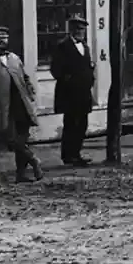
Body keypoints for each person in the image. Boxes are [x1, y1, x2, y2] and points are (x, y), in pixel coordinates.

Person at [0, 26, 43, 181]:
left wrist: (31, 94)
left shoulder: (15, 58)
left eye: (5, 37)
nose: (2, 41)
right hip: (3, 108)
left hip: (21, 105)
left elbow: (25, 78)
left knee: (22, 139)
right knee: (10, 139)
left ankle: (21, 174)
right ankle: (33, 159)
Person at [49, 15, 97, 166]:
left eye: (83, 29)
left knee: (82, 124)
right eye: (78, 29)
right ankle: (68, 155)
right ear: (72, 30)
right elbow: (55, 69)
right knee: (71, 123)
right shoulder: (63, 46)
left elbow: (87, 66)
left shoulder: (85, 47)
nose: (81, 32)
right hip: (69, 93)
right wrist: (68, 80)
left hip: (84, 93)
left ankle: (76, 153)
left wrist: (90, 78)